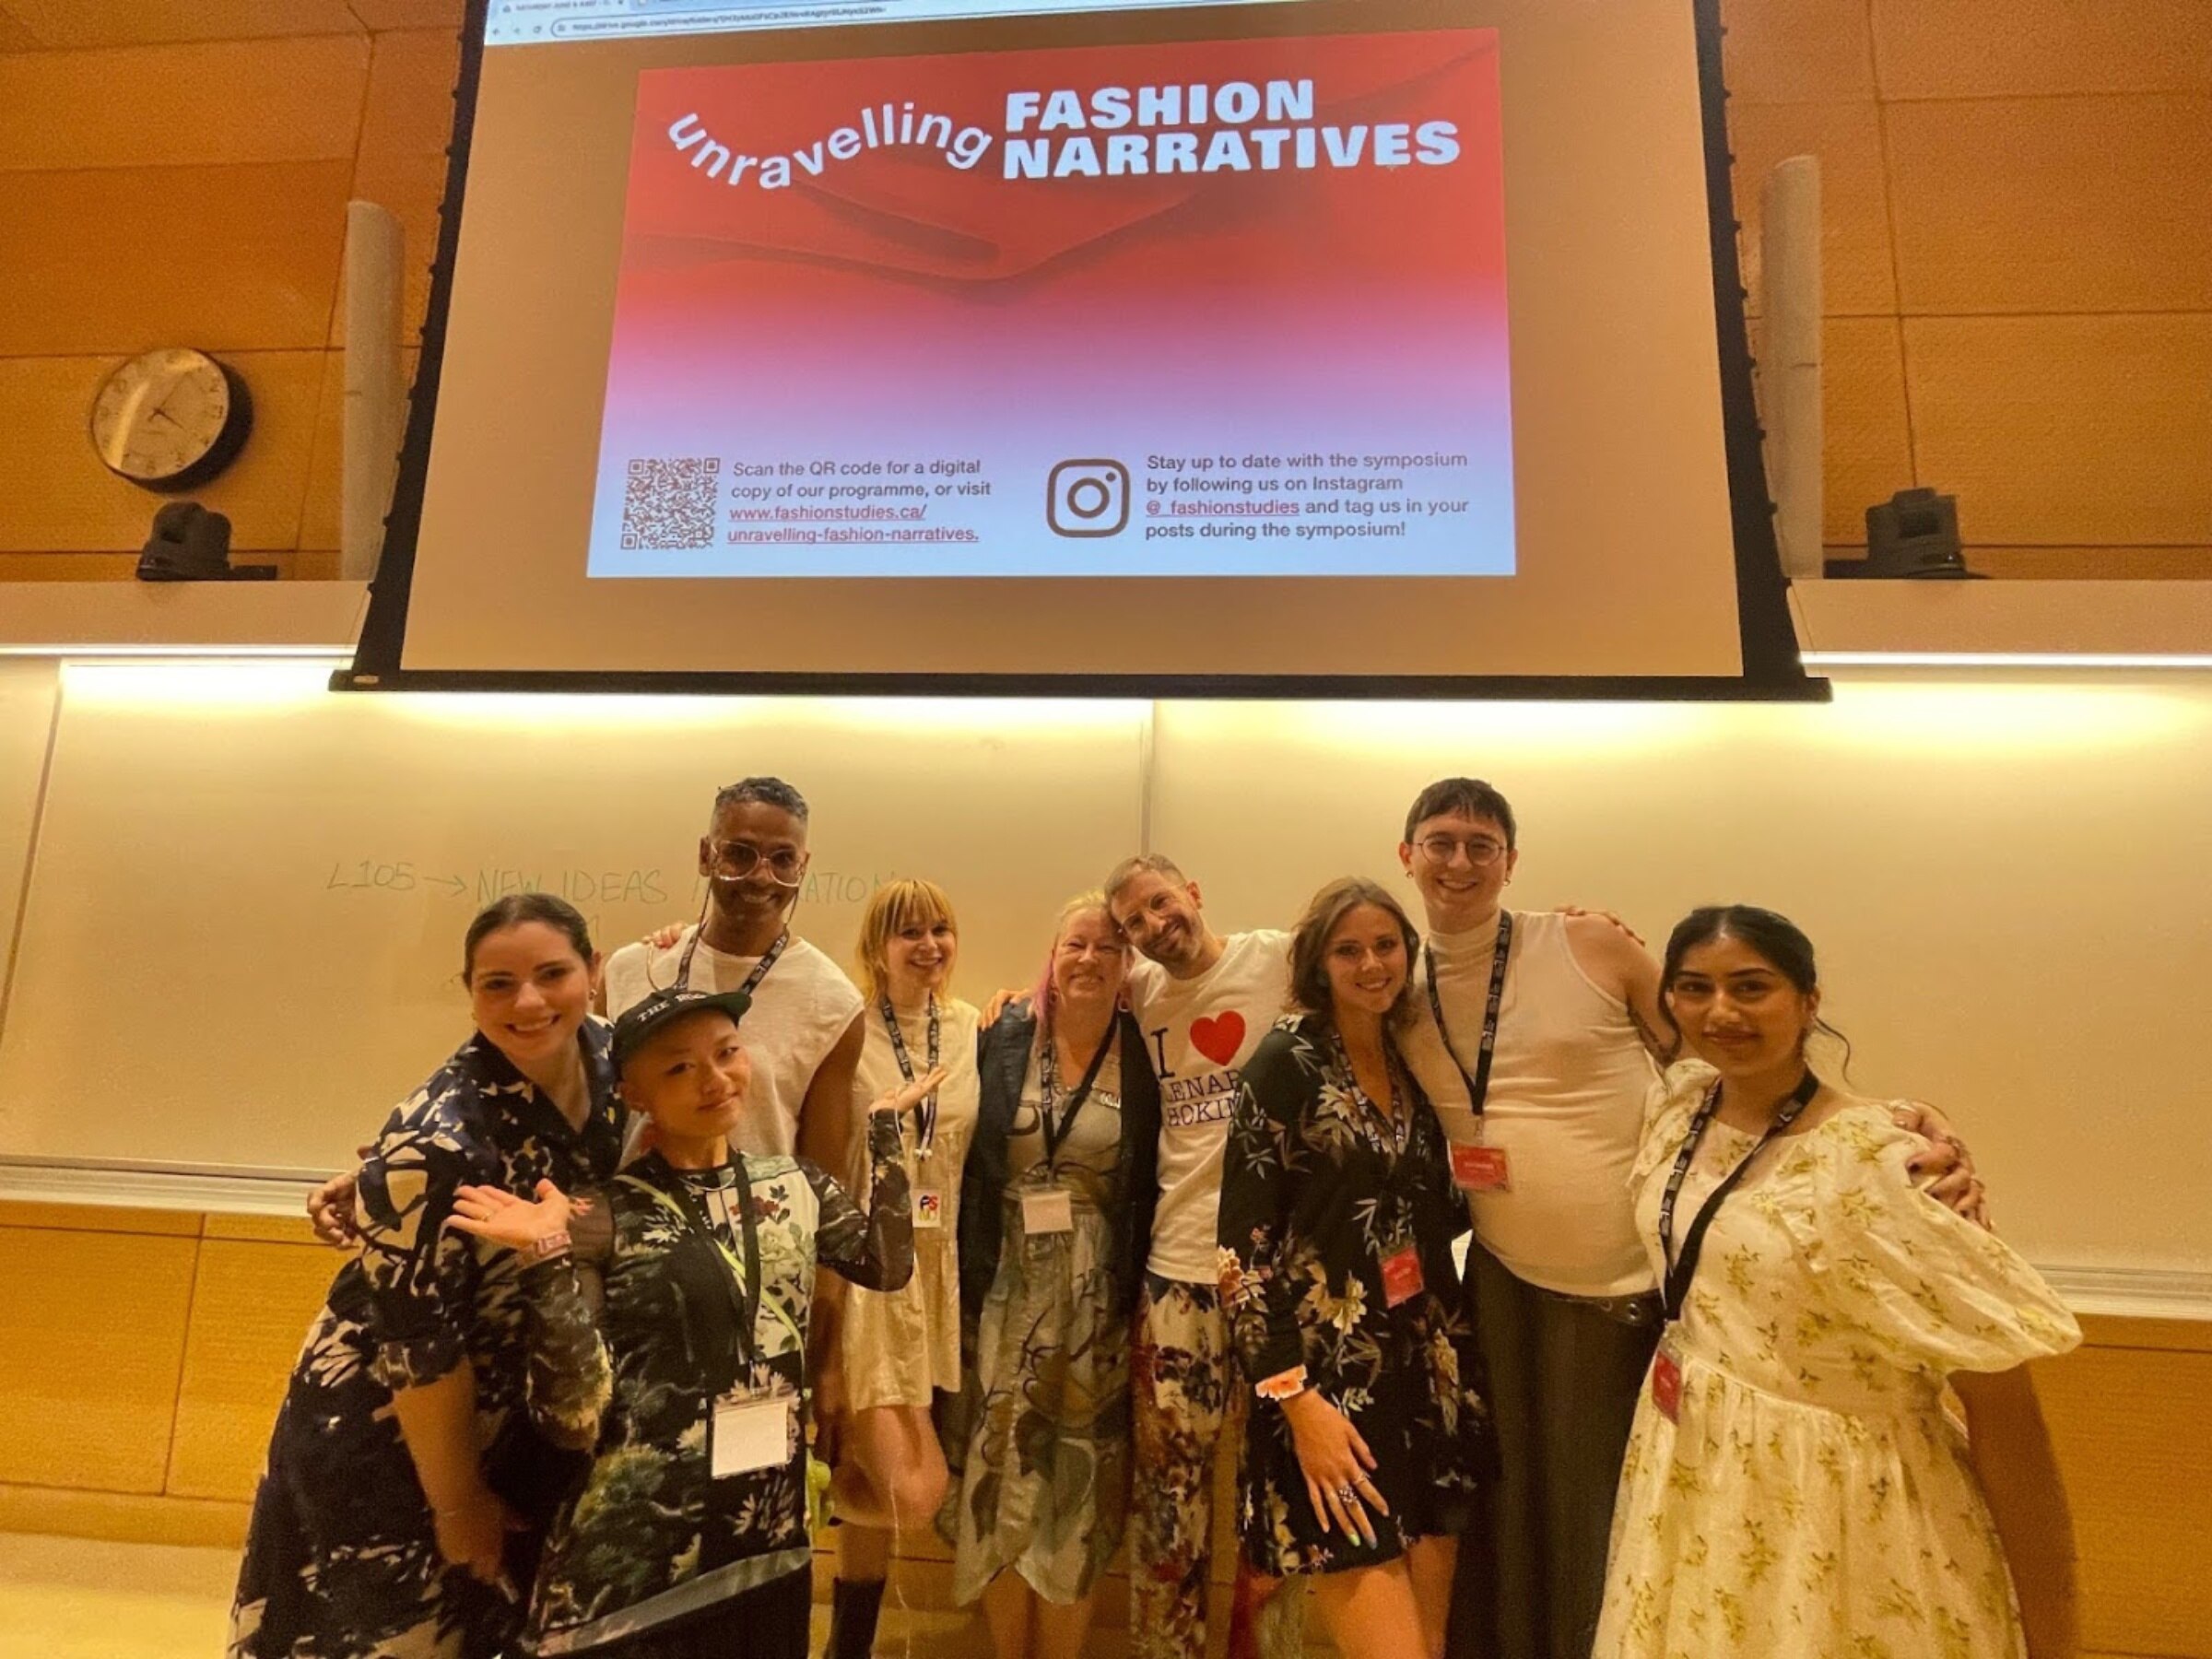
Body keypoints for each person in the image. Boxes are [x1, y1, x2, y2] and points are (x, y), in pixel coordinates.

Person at [1394, 779, 1991, 1659]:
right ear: (1406, 855)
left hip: (1619, 1287)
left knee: (1603, 1506)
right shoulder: (1390, 976)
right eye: (1440, 842)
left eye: (1482, 845)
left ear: (1511, 862)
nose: (1459, 861)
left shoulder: (1585, 943)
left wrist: (1897, 1119)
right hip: (1497, 1271)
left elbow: (1723, 1058)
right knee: (1509, 1505)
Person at [1594, 905, 2080, 1659]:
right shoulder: (1682, 1102)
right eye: (1694, 988)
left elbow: (2006, 1411)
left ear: (1809, 1001)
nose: (1720, 1011)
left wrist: (2056, 1642)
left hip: (1839, 1498)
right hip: (1693, 1460)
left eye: (1751, 988)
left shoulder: (1883, 1167)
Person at [444, 980, 937, 1659]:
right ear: (634, 1094)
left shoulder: (795, 1185)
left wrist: (884, 1132)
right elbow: (571, 1417)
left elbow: (886, 1265)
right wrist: (546, 1256)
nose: (714, 1079)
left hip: (769, 1546)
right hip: (639, 1572)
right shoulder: (597, 1215)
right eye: (679, 1066)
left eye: (727, 1052)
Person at [229, 895, 627, 1659]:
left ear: (595, 971)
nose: (530, 1001)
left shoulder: (619, 1063)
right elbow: (418, 1351)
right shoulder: (434, 1138)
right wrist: (457, 1503)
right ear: (469, 990)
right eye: (498, 984)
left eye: (553, 974)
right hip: (401, 1431)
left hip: (522, 1418)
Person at [1216, 877, 1491, 1659]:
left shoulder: (1411, 1057)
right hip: (1328, 1393)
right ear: (1318, 961)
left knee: (1429, 1645)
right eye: (1349, 949)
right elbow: (1240, 1257)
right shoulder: (1287, 1062)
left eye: (1386, 945)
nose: (1371, 964)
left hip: (1422, 1382)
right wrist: (1298, 1407)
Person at [945, 892, 1161, 1659]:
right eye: (1077, 944)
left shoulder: (1146, 1051)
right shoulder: (1002, 1035)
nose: (1091, 960)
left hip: (1095, 1303)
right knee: (998, 1477)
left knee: (1075, 1487)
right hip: (1002, 1292)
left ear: (1128, 964)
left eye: (1109, 948)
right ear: (1053, 952)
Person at [1102, 854, 1301, 1659]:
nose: (1153, 927)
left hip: (1277, 1281)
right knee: (1168, 1505)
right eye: (1133, 924)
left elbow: (1389, 967)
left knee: (1283, 1502)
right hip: (1176, 1277)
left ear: (1194, 892)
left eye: (1159, 904)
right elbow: (1059, 993)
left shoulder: (1281, 958)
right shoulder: (1139, 993)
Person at [824, 879, 982, 1659]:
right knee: (911, 1493)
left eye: (940, 929)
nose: (928, 946)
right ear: (876, 947)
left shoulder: (972, 1026)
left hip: (937, 1262)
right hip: (866, 1268)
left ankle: (847, 1648)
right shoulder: (845, 1025)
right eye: (908, 932)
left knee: (878, 1479)